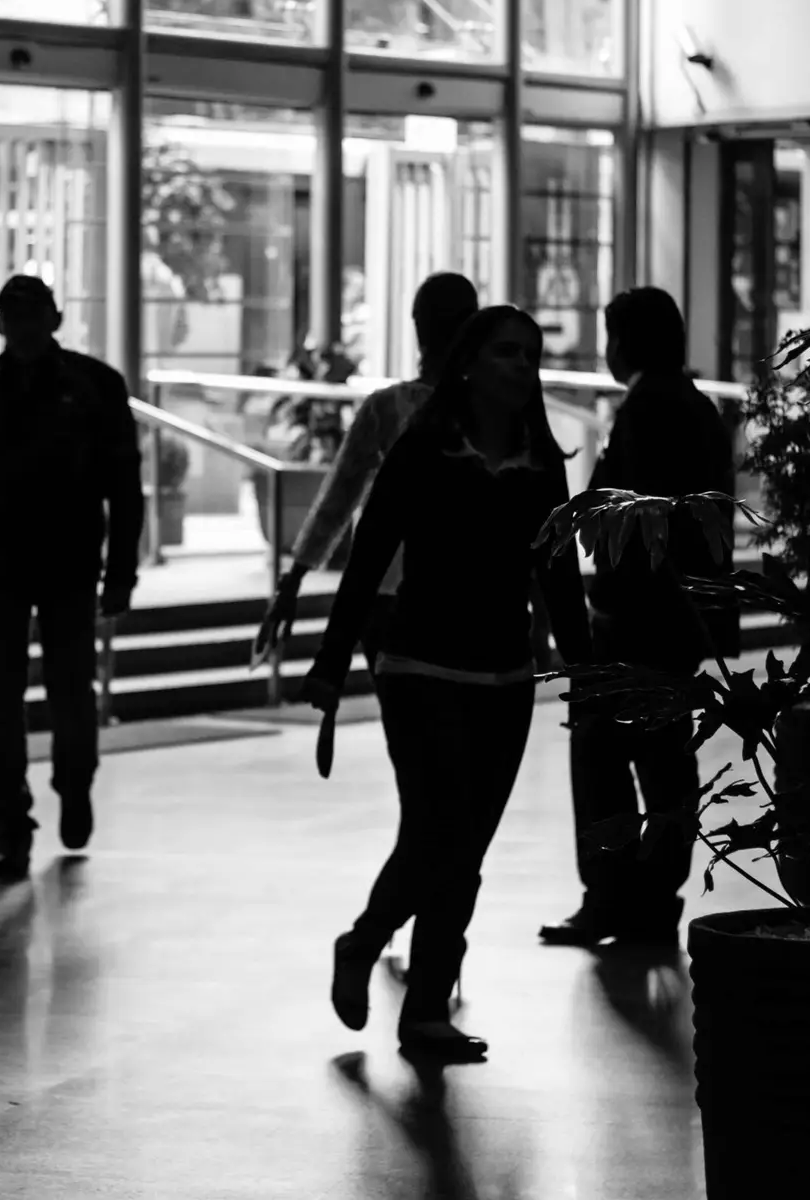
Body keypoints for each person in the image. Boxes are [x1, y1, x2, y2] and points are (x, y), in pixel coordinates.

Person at [300, 305, 593, 1064]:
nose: (521, 366)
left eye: (529, 354)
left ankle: (421, 1006)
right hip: (421, 665)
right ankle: (372, 950)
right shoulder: (425, 446)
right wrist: (331, 663)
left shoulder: (538, 458)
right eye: (505, 353)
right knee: (440, 833)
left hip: (504, 674)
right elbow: (369, 557)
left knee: (461, 849)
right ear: (467, 361)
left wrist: (589, 668)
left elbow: (556, 570)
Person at [0, 275, 144, 883]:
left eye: (31, 315)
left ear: (54, 318)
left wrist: (121, 571)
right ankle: (10, 825)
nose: (21, 327)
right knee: (0, 701)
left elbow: (124, 486)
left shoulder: (96, 388)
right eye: (12, 317)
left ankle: (74, 784)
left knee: (71, 692)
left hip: (71, 565)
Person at [538, 286, 737, 950]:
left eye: (610, 334)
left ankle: (610, 896)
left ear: (627, 341)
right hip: (681, 618)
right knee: (664, 760)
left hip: (636, 616)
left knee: (599, 754)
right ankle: (654, 902)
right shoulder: (699, 408)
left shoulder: (648, 408)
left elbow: (633, 523)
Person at [253, 272, 480, 667]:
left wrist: (292, 581)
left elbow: (337, 499)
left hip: (390, 593)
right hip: (473, 597)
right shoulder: (494, 411)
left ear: (417, 326)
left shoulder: (388, 409)